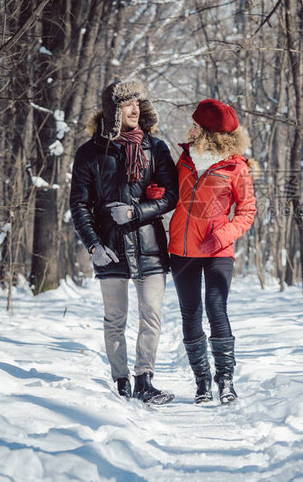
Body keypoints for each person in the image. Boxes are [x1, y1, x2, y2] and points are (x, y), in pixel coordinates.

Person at [69, 78, 178, 405]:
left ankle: (144, 380)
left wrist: (136, 212)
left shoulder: (155, 147)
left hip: (149, 246)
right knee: (114, 319)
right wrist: (93, 245)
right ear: (112, 110)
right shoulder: (90, 152)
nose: (135, 109)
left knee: (151, 316)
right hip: (110, 247)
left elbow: (172, 195)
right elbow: (79, 204)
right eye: (127, 103)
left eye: (138, 103)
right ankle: (121, 383)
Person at [168, 99, 257, 404]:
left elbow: (247, 212)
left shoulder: (236, 167)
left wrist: (220, 237)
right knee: (190, 314)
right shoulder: (183, 160)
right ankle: (202, 383)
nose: (189, 127)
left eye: (195, 124)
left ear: (207, 131)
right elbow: (170, 195)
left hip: (218, 250)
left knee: (216, 309)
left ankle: (226, 381)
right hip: (181, 250)